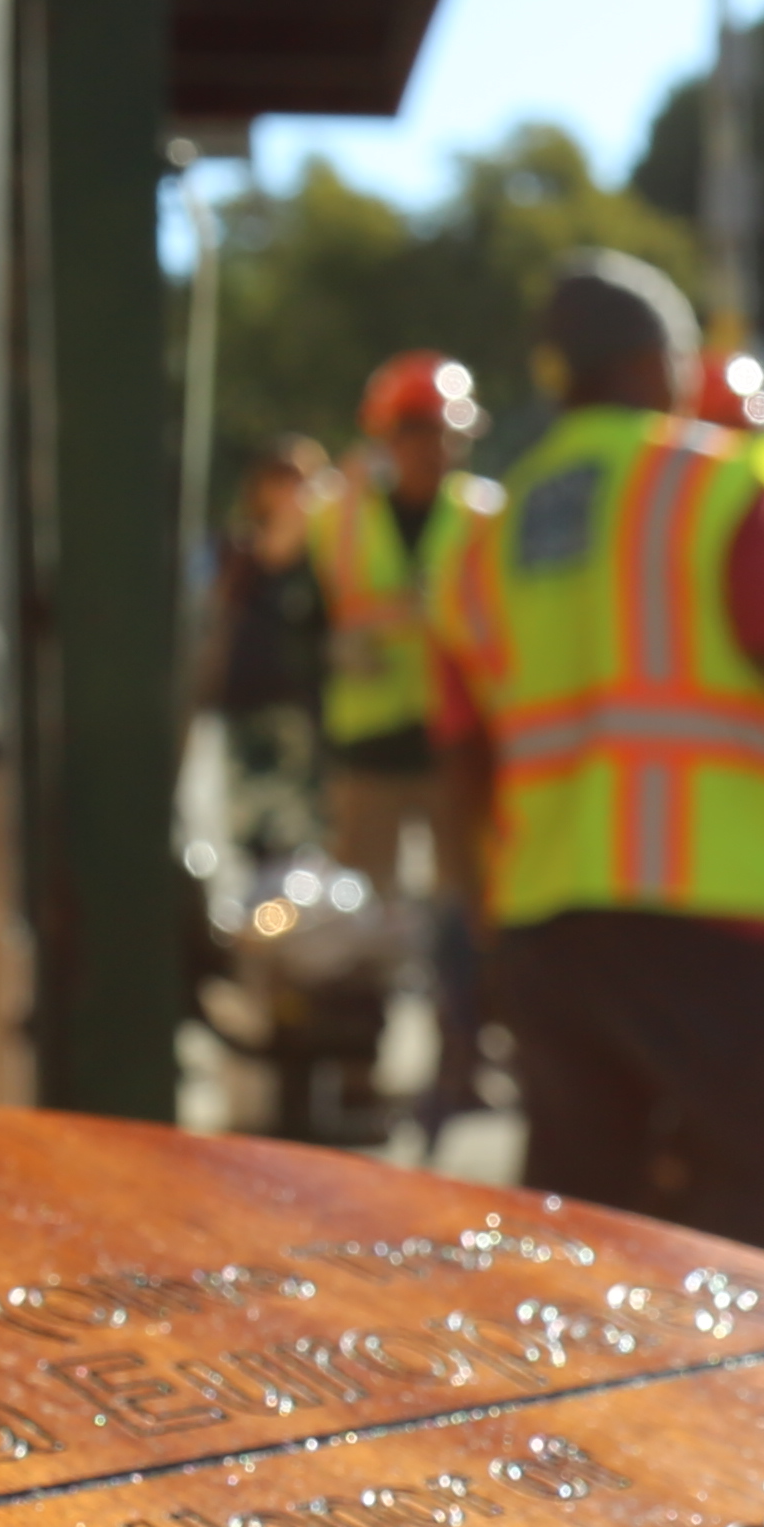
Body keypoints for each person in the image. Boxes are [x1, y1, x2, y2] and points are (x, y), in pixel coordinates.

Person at [428, 253, 764, 1264]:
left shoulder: (483, 539)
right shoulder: (715, 484)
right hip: (705, 911)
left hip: (548, 920)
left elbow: (464, 759)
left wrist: (486, 929)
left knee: (585, 1224)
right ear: (658, 363)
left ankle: (592, 1423)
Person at [315, 353, 497, 1127]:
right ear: (386, 438)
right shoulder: (338, 515)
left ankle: (470, 1060)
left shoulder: (491, 516)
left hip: (461, 748)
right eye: (416, 432)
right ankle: (357, 1064)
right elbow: (287, 599)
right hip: (371, 748)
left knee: (474, 909)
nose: (432, 448)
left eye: (443, 432)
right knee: (357, 920)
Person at [191, 434, 335, 868]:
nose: (292, 490)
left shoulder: (329, 548)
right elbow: (269, 553)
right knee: (252, 829)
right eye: (280, 478)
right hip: (246, 698)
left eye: (300, 479)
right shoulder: (238, 546)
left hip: (305, 701)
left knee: (306, 828)